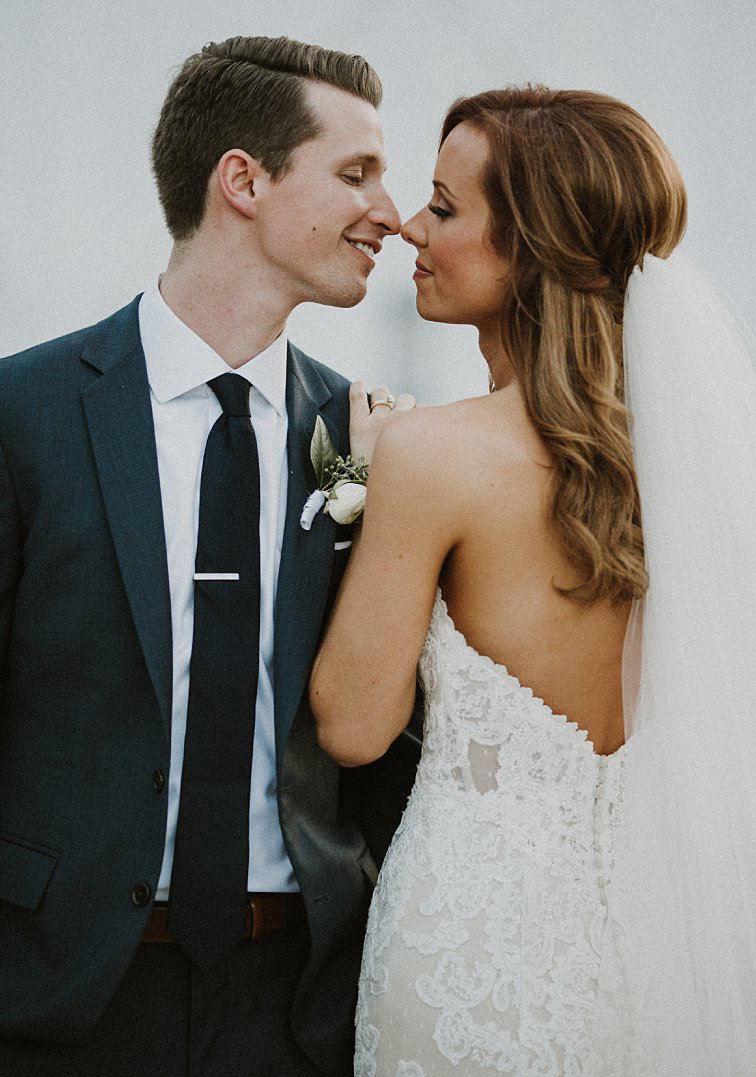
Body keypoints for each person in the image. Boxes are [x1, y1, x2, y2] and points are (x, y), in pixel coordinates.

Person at [308, 86, 756, 1076]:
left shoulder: (431, 456)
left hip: (474, 956)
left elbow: (354, 726)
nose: (407, 226)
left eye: (443, 206)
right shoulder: (697, 468)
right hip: (657, 955)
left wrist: (364, 476)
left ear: (529, 248)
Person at [0, 36, 417, 1075]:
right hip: (60, 996)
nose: (394, 213)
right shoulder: (24, 415)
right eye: (356, 173)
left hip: (297, 1006)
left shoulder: (375, 444)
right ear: (243, 179)